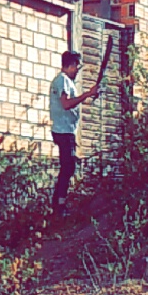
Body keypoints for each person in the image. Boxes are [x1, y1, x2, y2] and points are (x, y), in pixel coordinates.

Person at [49, 50, 100, 215]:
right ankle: (59, 205)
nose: (77, 70)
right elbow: (66, 104)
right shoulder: (62, 80)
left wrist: (89, 95)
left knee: (68, 166)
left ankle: (58, 202)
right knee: (68, 166)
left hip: (67, 130)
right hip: (63, 131)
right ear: (71, 65)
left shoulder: (65, 82)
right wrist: (87, 94)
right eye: (77, 66)